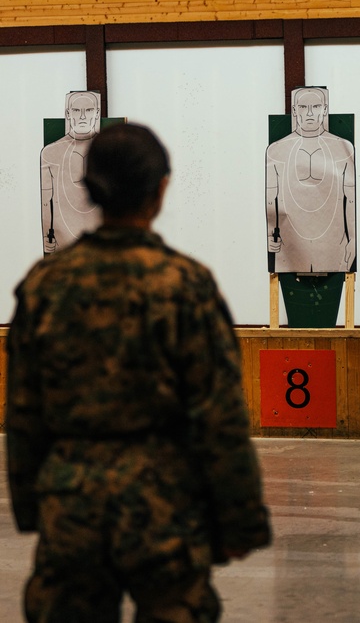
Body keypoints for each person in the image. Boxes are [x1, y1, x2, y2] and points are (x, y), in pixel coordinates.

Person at [6, 123, 271, 622]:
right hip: (163, 504)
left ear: (91, 190)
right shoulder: (183, 283)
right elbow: (219, 415)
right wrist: (238, 522)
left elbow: (23, 412)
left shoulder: (45, 285)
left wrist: (31, 507)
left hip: (72, 503)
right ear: (161, 188)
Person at [265, 86, 356, 273]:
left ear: (324, 109)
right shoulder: (276, 151)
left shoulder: (343, 149)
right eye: (303, 107)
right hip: (290, 244)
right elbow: (271, 198)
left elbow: (350, 199)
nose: (309, 113)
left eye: (315, 106)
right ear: (295, 110)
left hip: (334, 240)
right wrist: (270, 233)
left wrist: (352, 238)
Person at [39, 91, 102, 254]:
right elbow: (46, 201)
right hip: (64, 242)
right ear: (68, 113)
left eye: (88, 110)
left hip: (103, 242)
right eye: (76, 110)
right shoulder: (51, 152)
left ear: (96, 113)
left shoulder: (110, 150)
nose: (82, 116)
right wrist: (48, 237)